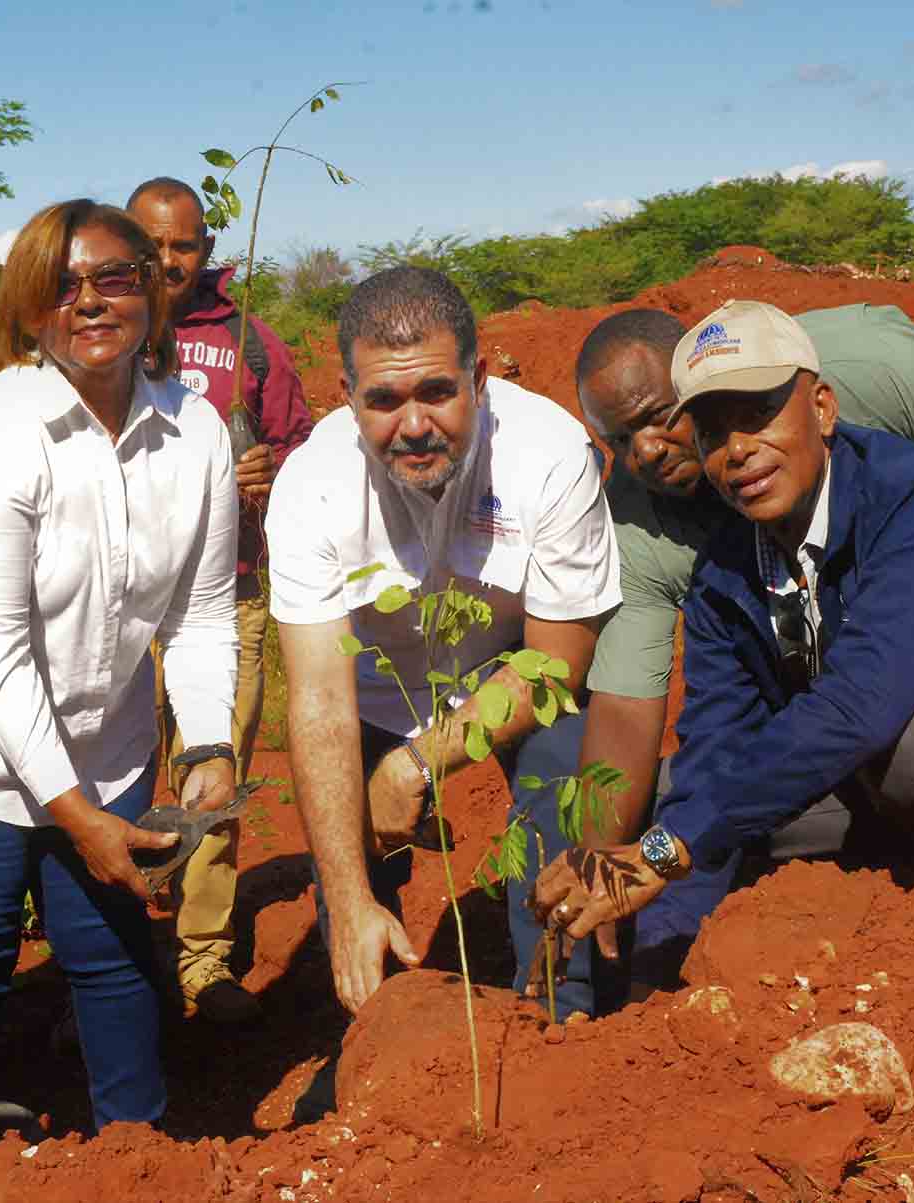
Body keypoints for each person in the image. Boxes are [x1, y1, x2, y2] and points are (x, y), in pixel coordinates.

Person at [533, 300, 914, 945]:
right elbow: (719, 751)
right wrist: (651, 944)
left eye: (757, 415)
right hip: (894, 773)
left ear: (823, 408)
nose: (740, 449)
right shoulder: (727, 571)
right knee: (713, 800)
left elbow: (859, 705)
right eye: (713, 432)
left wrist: (668, 852)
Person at [0, 198, 238, 1201]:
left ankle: (140, 1164)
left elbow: (200, 610)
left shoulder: (194, 431)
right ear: (29, 307)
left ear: (150, 292)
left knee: (112, 952)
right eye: (63, 284)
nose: (91, 301)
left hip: (102, 730)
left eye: (114, 277)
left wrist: (208, 748)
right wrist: (76, 819)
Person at [268, 265, 624, 1019]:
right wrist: (348, 892)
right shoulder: (311, 484)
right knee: (348, 866)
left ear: (480, 377)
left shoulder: (550, 452)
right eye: (384, 400)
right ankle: (374, 1038)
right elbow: (319, 698)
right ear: (346, 396)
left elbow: (559, 660)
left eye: (437, 391)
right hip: (370, 688)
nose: (414, 423)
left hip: (509, 667)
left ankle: (563, 1002)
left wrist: (414, 762)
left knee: (562, 758)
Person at [126, 177, 314, 1024]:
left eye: (185, 245)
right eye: (152, 243)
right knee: (112, 782)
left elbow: (305, 457)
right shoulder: (100, 328)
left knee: (212, 780)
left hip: (224, 595)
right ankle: (117, 956)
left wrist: (270, 475)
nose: (169, 261)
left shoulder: (251, 343)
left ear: (209, 250)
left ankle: (202, 958)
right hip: (115, 603)